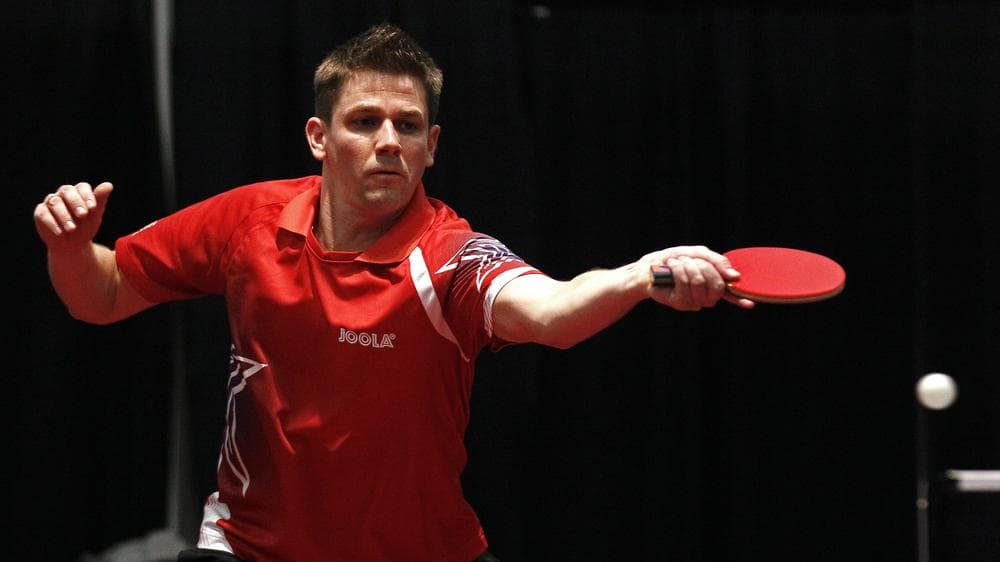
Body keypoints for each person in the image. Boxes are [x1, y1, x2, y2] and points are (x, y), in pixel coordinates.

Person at [33, 22, 753, 562]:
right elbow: (102, 294)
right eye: (365, 122)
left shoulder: (448, 255)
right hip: (250, 546)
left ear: (431, 146)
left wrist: (638, 276)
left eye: (409, 126)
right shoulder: (248, 220)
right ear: (319, 137)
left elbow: (552, 311)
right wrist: (69, 249)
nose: (389, 141)